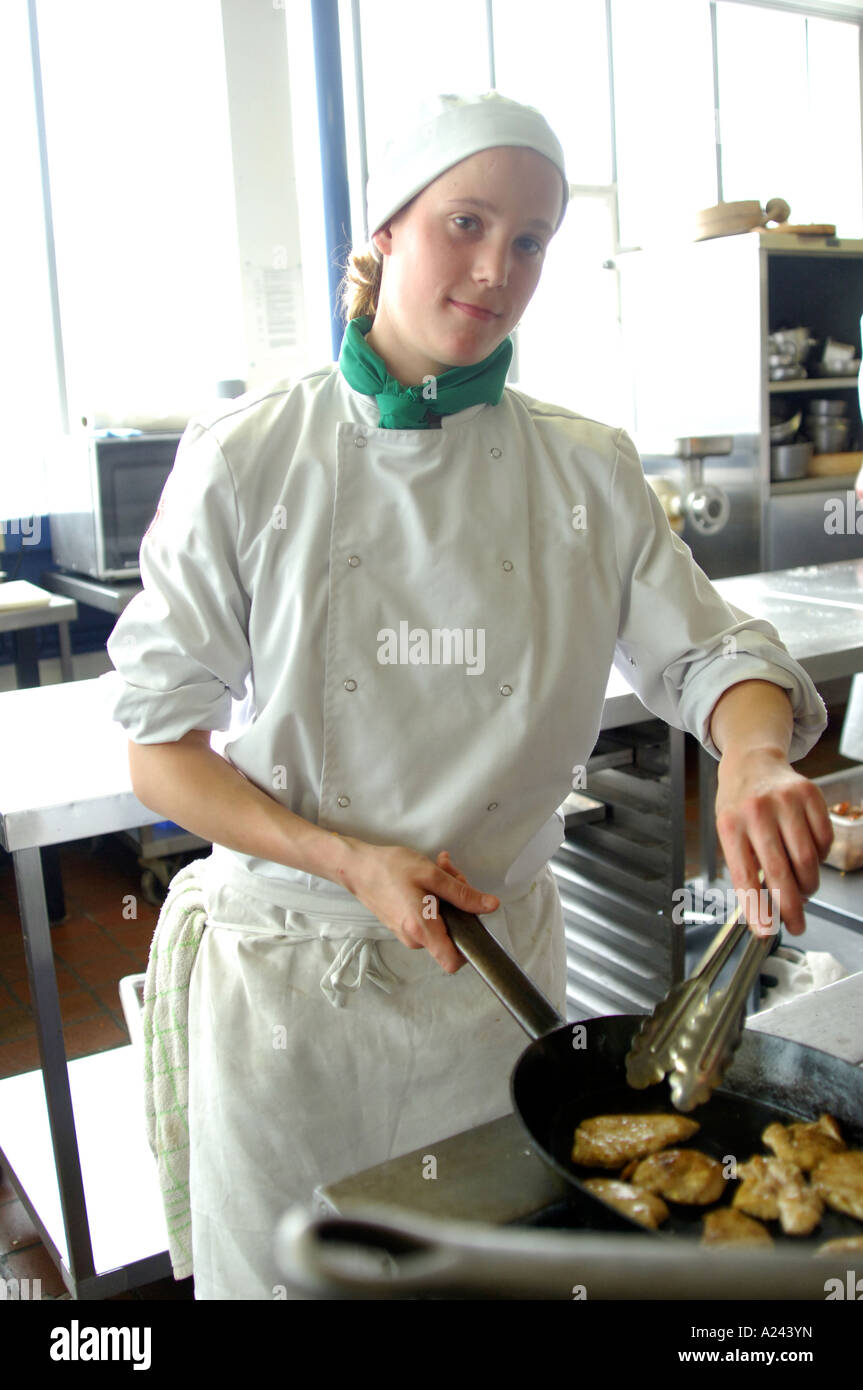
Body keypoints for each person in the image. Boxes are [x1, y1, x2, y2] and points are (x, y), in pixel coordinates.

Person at [102, 91, 833, 1300]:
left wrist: (752, 756)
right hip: (293, 992)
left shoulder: (582, 468)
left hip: (485, 987)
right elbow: (159, 751)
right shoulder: (247, 457)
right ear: (385, 228)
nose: (497, 268)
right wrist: (348, 860)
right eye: (464, 222)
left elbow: (716, 656)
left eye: (532, 239)